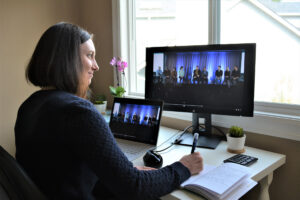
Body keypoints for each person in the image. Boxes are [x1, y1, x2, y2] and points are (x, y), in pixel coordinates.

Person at [14, 22, 203, 200]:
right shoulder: (79, 112)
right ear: (68, 60)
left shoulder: (29, 106)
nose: (96, 66)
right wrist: (183, 167)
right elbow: (135, 188)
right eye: (89, 55)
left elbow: (62, 174)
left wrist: (124, 173)